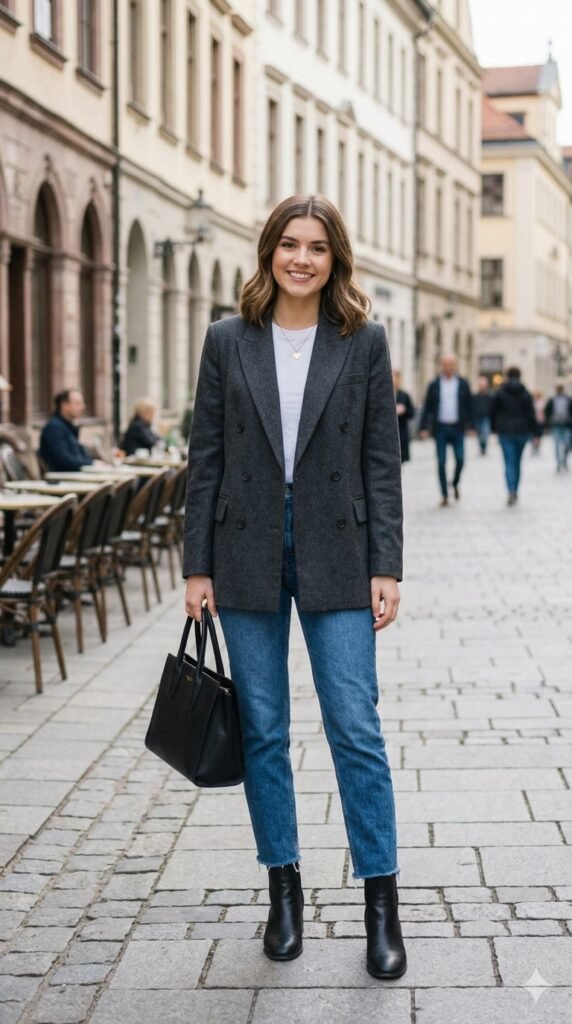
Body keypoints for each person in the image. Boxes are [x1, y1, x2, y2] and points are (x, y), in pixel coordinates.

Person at [183, 194, 406, 981]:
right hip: (243, 550)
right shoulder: (225, 339)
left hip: (338, 549)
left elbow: (382, 459)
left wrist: (388, 565)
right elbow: (203, 456)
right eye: (288, 244)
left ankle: (382, 904)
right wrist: (194, 565)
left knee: (354, 725)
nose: (301, 259)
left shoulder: (363, 342)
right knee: (267, 732)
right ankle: (284, 892)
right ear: (269, 252)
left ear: (334, 256)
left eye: (316, 247)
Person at [419, 355, 473, 506]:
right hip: (441, 428)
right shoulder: (435, 385)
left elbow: (469, 405)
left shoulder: (462, 384)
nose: (448, 368)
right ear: (441, 366)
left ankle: (454, 483)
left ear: (455, 366)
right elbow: (427, 407)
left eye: (451, 365)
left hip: (458, 427)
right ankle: (444, 494)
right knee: (441, 461)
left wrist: (472, 426)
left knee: (460, 459)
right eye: (445, 365)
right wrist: (423, 427)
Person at [490, 366, 537, 505]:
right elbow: (531, 414)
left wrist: (494, 428)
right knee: (517, 462)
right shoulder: (525, 393)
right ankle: (515, 489)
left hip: (505, 431)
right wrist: (535, 431)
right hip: (522, 431)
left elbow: (493, 412)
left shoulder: (500, 393)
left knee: (509, 462)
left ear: (507, 376)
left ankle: (511, 490)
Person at [39, 389, 94, 472]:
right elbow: (64, 460)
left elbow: (79, 455)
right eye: (77, 403)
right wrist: (90, 464)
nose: (82, 407)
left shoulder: (67, 427)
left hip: (73, 476)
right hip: (63, 479)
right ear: (65, 405)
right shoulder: (54, 428)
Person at [544, 380, 572, 473]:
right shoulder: (552, 399)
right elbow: (547, 411)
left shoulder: (568, 399)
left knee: (568, 443)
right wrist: (548, 422)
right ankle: (559, 462)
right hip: (556, 424)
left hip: (567, 425)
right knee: (557, 444)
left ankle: (563, 459)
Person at [393, 370, 415, 464]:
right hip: (386, 433)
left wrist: (404, 410)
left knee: (400, 461)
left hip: (401, 433)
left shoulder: (404, 395)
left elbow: (412, 413)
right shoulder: (382, 394)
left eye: (395, 378)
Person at [472, 375, 493, 455]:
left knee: (485, 433)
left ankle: (484, 448)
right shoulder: (475, 396)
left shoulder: (490, 396)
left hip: (486, 417)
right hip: (477, 417)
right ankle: (481, 447)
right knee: (479, 434)